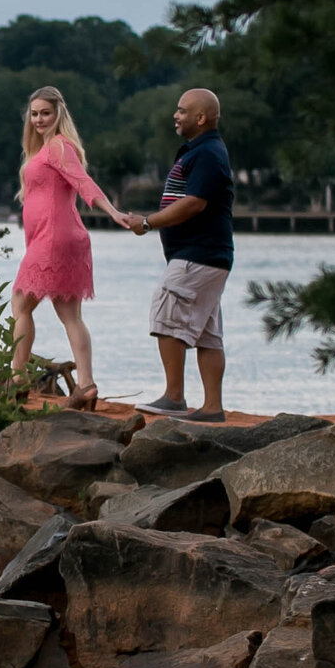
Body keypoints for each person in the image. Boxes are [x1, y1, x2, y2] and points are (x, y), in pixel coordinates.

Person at [9, 85, 131, 410]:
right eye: (34, 114)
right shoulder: (44, 148)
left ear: (58, 114)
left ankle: (17, 380)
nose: (38, 119)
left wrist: (114, 212)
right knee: (70, 316)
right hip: (62, 238)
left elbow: (83, 182)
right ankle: (86, 385)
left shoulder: (59, 148)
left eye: (45, 113)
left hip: (54, 240)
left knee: (20, 307)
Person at [128, 87, 234, 421]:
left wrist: (147, 222)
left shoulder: (206, 154)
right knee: (206, 332)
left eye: (182, 111)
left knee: (167, 318)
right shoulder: (202, 151)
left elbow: (194, 203)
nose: (176, 115)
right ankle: (212, 408)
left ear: (201, 118)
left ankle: (174, 398)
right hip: (208, 256)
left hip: (197, 255)